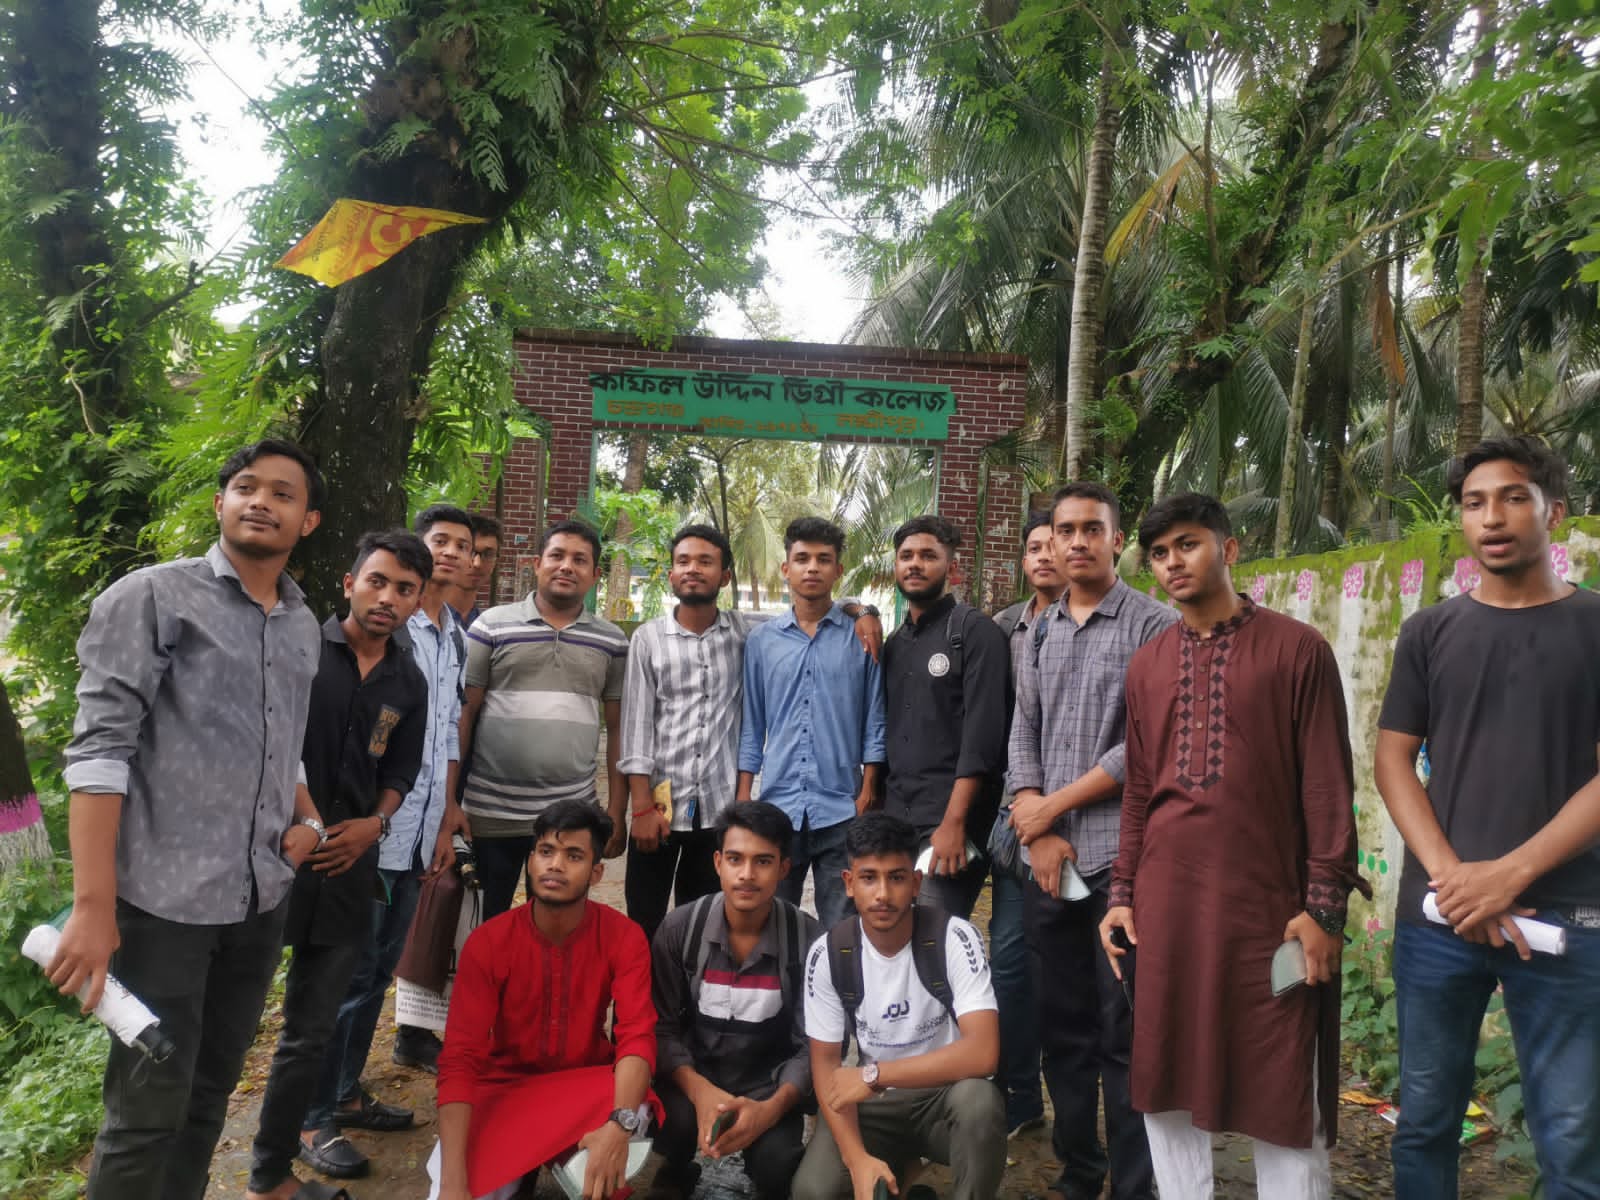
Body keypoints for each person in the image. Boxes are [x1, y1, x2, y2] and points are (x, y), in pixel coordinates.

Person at [49, 438, 325, 1200]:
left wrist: (309, 821)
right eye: (245, 487)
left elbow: (283, 739)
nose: (260, 501)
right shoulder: (153, 598)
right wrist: (94, 906)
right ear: (220, 504)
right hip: (162, 906)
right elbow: (100, 755)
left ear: (308, 520)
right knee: (145, 1110)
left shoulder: (302, 624)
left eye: (281, 493)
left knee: (210, 1094)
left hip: (258, 902)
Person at [1098, 492, 1368, 1200]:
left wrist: (1324, 909)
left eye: (1188, 544)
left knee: (1282, 1086)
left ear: (1229, 547)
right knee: (1164, 1079)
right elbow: (1140, 793)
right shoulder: (1148, 664)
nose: (1172, 563)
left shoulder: (1297, 650)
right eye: (1158, 554)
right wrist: (1121, 896)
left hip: (1270, 918)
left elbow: (1328, 790)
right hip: (1167, 910)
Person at [1375, 436, 1600, 1198]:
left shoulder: (1596, 628)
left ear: (1555, 512)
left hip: (1568, 916)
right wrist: (1454, 881)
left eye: (1513, 497)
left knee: (1571, 1137)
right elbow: (1393, 761)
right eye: (1474, 502)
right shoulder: (1429, 632)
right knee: (1426, 1123)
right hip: (1439, 922)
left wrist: (1509, 875)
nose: (1492, 516)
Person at [247, 530, 433, 1200]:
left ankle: (271, 1171)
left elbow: (404, 768)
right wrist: (310, 820)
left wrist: (376, 823)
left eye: (404, 589)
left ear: (417, 600)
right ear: (350, 581)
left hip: (351, 866)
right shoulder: (296, 649)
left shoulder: (407, 681)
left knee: (311, 1027)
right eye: (377, 580)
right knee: (231, 1020)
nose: (388, 597)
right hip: (269, 862)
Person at [1007, 483, 1175, 1200]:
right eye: (1064, 529)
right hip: (1048, 869)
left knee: (1123, 1033)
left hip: (1119, 868)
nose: (1076, 541)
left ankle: (1135, 1185)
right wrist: (1029, 818)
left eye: (1091, 530)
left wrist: (1053, 813)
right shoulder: (1040, 628)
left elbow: (1146, 747)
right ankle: (1081, 1171)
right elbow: (1024, 729)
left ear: (1117, 539)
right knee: (1063, 1030)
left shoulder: (1153, 627)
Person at [302, 502, 474, 1176]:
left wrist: (445, 815)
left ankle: (343, 1093)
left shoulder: (450, 637)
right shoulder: (360, 646)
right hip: (358, 838)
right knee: (338, 978)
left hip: (416, 832)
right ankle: (311, 1119)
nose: (457, 554)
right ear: (356, 581)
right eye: (443, 542)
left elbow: (442, 738)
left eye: (465, 546)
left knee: (374, 974)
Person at [622, 524, 884, 943]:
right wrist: (640, 807)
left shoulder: (755, 634)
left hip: (762, 807)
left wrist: (862, 608)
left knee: (722, 925)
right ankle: (651, 1008)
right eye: (684, 562)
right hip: (679, 810)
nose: (694, 570)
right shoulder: (663, 639)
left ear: (725, 576)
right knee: (653, 921)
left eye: (706, 562)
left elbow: (871, 714)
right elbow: (641, 728)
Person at [427, 800, 657, 1200]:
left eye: (573, 856)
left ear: (596, 872)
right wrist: (452, 1183)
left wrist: (619, 1126)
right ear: (530, 860)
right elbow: (460, 1058)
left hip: (584, 1092)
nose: (555, 865)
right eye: (546, 852)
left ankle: (570, 1165)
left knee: (631, 1114)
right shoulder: (488, 943)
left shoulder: (624, 936)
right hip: (504, 1093)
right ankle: (517, 1172)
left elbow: (637, 1036)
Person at [795, 812, 1005, 1200]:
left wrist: (872, 1074)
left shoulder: (955, 937)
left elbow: (984, 1052)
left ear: (916, 883)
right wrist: (857, 1160)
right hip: (876, 1107)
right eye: (869, 877)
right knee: (813, 1190)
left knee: (981, 1104)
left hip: (945, 1099)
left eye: (896, 877)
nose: (882, 895)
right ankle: (897, 1169)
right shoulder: (828, 953)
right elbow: (825, 1068)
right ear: (848, 884)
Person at [648, 801, 819, 1200]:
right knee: (671, 1125)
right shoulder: (680, 929)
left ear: (784, 868)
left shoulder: (807, 940)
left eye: (763, 861)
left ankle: (763, 1164)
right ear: (717, 863)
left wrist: (771, 1109)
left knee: (778, 1168)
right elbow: (660, 1026)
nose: (747, 875)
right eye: (735, 859)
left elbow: (814, 1045)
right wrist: (699, 1090)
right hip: (693, 1076)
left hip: (766, 1084)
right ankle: (676, 1169)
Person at [460, 519, 630, 919]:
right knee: (486, 921)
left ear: (595, 575)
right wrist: (451, 803)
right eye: (556, 556)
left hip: (571, 815)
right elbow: (463, 716)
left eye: (579, 560)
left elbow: (619, 726)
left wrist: (616, 811)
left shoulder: (612, 641)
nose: (566, 566)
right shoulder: (491, 627)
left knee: (557, 923)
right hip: (490, 812)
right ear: (537, 563)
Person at [739, 517, 886, 928]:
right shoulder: (762, 642)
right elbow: (752, 724)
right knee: (771, 922)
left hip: (841, 806)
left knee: (842, 926)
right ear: (785, 568)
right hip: (777, 808)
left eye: (824, 559)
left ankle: (838, 994)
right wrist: (746, 795)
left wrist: (868, 790)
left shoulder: (862, 638)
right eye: (802, 558)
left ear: (838, 570)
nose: (812, 568)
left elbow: (875, 718)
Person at [881, 515, 1009, 918]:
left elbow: (982, 739)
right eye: (906, 556)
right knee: (893, 937)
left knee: (935, 941)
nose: (914, 564)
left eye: (928, 556)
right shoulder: (894, 644)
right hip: (896, 820)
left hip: (950, 826)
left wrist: (954, 823)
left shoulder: (975, 633)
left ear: (952, 569)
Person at [984, 512, 1060, 1137]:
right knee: (1008, 958)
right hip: (1018, 818)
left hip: (1091, 823)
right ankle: (1019, 1089)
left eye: (1052, 545)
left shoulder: (1127, 626)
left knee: (1070, 963)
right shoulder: (1003, 628)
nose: (1043, 556)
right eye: (1031, 547)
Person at [447, 514, 501, 628]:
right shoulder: (414, 619)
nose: (477, 563)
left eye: (488, 554)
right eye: (469, 551)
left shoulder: (490, 626)